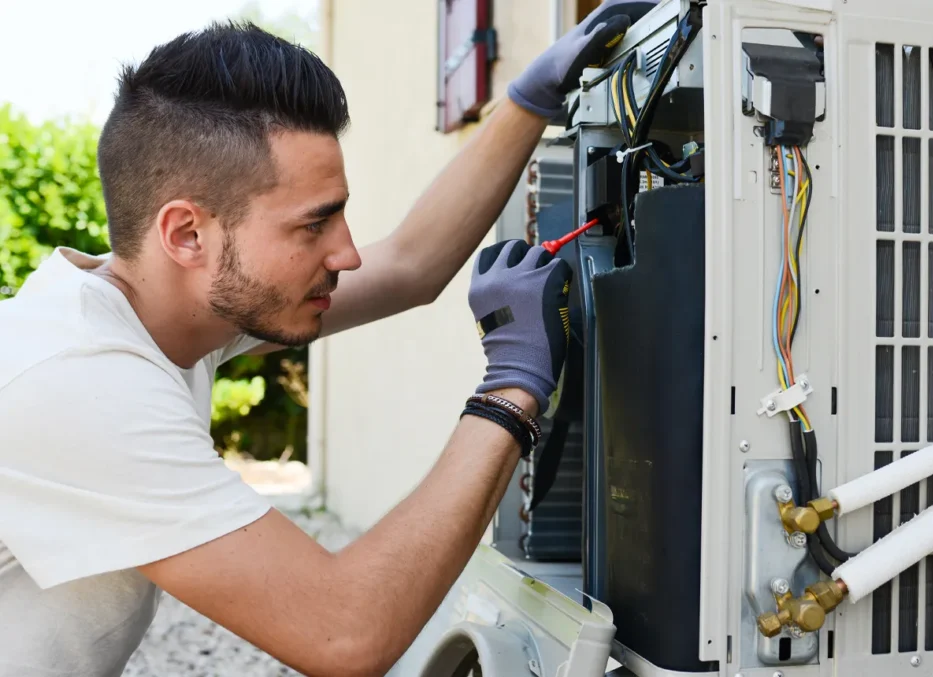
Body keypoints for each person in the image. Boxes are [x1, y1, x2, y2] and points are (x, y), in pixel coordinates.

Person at [0, 1, 657, 675]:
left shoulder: (157, 309)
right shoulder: (80, 381)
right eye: (313, 225)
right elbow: (345, 631)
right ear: (187, 234)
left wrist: (527, 100)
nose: (346, 253)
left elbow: (410, 264)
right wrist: (513, 385)